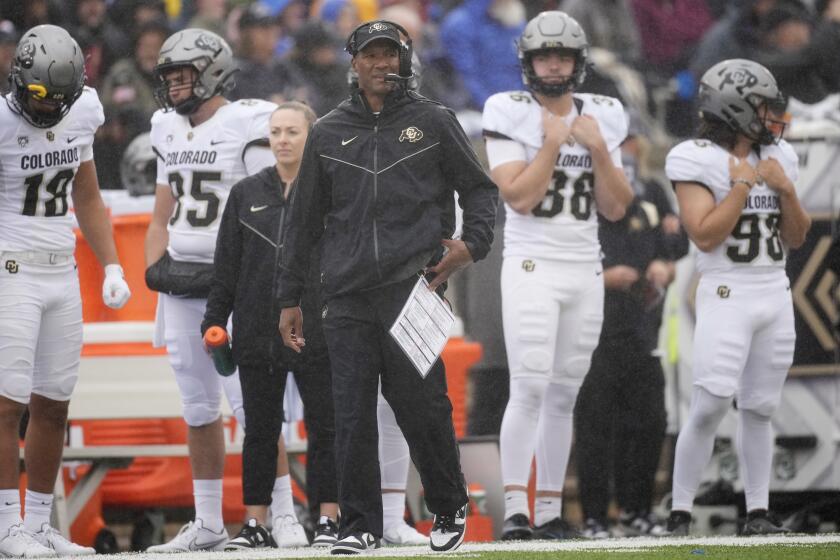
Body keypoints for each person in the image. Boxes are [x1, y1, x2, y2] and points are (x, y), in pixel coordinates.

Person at [277, 19, 498, 554]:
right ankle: (359, 527)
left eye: (391, 55)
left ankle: (447, 508)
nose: (382, 64)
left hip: (413, 287)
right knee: (349, 414)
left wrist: (474, 244)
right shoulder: (327, 131)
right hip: (346, 294)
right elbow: (303, 220)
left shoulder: (436, 120)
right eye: (372, 55)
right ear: (353, 63)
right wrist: (289, 297)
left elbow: (480, 189)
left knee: (423, 407)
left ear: (405, 60)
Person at [482, 10, 633, 540]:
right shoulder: (508, 108)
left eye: (561, 55)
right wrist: (551, 143)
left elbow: (617, 207)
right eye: (544, 55)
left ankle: (548, 509)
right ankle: (517, 510)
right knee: (528, 385)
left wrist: (595, 149)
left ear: (578, 61)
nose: (552, 65)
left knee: (565, 392)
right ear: (528, 62)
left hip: (584, 265)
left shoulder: (604, 115)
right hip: (532, 264)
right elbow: (519, 197)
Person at [663, 58, 811, 536]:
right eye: (762, 108)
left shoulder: (780, 156)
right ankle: (680, 513)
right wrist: (744, 183)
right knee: (710, 403)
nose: (772, 118)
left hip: (774, 289)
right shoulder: (694, 157)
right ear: (734, 108)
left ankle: (758, 512)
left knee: (761, 407)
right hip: (726, 290)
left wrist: (786, 191)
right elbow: (705, 234)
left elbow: (797, 236)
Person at [143, 28, 276, 553]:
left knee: (253, 406)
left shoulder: (246, 123)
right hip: (182, 285)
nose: (176, 86)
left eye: (185, 74)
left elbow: (271, 208)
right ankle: (208, 522)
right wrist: (155, 265)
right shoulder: (164, 128)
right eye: (169, 76)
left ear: (214, 72)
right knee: (197, 406)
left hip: (237, 284)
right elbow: (161, 210)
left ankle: (277, 516)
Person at [0, 24, 131, 557]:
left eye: (61, 99)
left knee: (53, 403)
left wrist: (112, 265)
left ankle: (36, 525)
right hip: (10, 267)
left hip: (61, 270)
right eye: (41, 97)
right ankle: (7, 525)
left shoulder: (82, 111)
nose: (51, 108)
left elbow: (88, 193)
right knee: (7, 406)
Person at [201, 102, 338, 550]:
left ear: (311, 137)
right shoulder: (244, 194)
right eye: (275, 132)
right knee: (260, 428)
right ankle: (256, 524)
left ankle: (329, 520)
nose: (281, 140)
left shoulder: (334, 191)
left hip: (318, 326)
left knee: (325, 425)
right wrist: (214, 320)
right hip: (257, 328)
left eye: (292, 132)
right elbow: (226, 268)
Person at [573, 115, 689, 539]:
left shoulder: (652, 191)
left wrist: (664, 265)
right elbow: (562, 255)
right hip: (595, 332)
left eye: (630, 142)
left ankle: (637, 510)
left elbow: (676, 242)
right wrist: (603, 277)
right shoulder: (581, 188)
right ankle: (594, 517)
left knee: (648, 423)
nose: (627, 151)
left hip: (643, 326)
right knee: (595, 428)